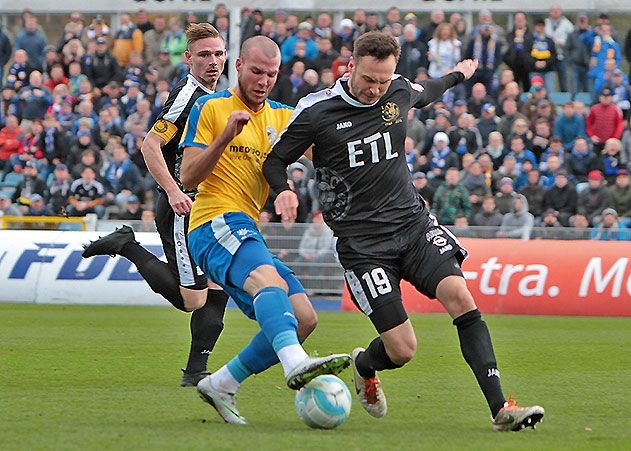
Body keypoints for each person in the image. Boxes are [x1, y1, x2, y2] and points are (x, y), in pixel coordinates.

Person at [263, 31, 543, 431]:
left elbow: (429, 89)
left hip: (412, 225)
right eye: (368, 79)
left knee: (460, 296)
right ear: (350, 67)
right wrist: (283, 190)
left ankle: (501, 409)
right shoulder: (315, 111)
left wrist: (459, 76)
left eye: (383, 80)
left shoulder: (397, 90)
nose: (376, 89)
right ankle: (364, 364)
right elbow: (275, 161)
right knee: (402, 348)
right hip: (363, 247)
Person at [179, 35, 350, 425]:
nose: (263, 80)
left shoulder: (282, 117)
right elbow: (188, 176)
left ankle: (222, 382)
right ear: (237, 66)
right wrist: (226, 136)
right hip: (213, 220)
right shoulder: (211, 107)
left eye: (271, 74)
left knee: (304, 317)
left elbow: (328, 150)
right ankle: (295, 364)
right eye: (256, 71)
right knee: (266, 282)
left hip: (246, 227)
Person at [82, 23, 231, 387]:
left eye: (218, 54)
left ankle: (196, 372)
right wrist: (175, 191)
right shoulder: (187, 95)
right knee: (193, 300)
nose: (213, 62)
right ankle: (127, 245)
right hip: (182, 205)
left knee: (219, 289)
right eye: (204, 55)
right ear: (188, 58)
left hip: (209, 205)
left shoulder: (217, 94)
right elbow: (149, 145)